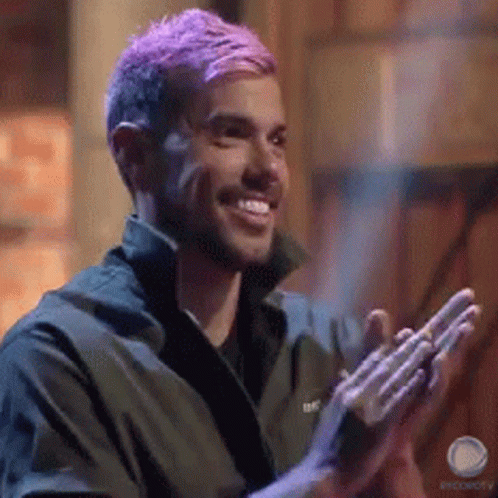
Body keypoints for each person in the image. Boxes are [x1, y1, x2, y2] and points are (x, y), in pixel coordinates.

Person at [0, 9, 480, 498]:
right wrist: (329, 475)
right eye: (229, 133)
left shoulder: (328, 347)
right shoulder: (57, 361)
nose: (268, 169)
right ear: (135, 154)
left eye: (277, 140)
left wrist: (392, 459)